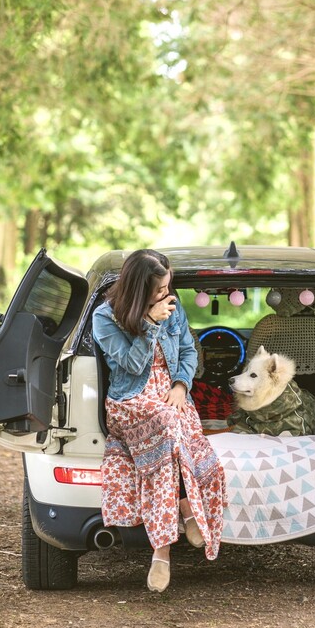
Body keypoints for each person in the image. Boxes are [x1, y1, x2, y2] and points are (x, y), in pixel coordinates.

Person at [92, 249, 227, 593]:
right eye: (158, 290)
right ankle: (181, 523)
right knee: (170, 425)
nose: (166, 294)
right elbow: (131, 366)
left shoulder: (173, 304)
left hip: (170, 395)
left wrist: (181, 385)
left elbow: (187, 352)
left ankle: (162, 552)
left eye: (168, 286)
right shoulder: (105, 318)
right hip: (130, 402)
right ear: (139, 290)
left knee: (172, 428)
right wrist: (150, 324)